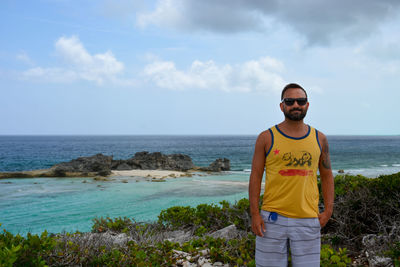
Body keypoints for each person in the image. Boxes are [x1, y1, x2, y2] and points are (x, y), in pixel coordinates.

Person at [249, 83, 334, 267]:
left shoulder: (320, 139)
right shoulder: (266, 137)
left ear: (307, 105)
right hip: (271, 220)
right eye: (290, 101)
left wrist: (328, 211)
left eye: (300, 101)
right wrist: (255, 214)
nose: (296, 104)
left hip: (308, 219)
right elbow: (255, 176)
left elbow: (327, 176)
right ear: (282, 106)